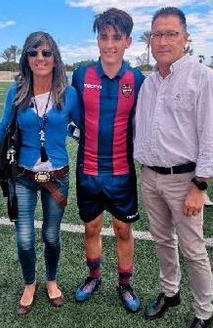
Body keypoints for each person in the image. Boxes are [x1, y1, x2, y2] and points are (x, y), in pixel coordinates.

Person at [133, 7, 213, 328]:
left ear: (186, 38)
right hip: (150, 176)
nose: (162, 41)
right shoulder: (148, 83)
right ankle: (170, 292)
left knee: (193, 249)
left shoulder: (202, 78)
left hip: (184, 180)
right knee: (161, 240)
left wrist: (200, 185)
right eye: (156, 34)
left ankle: (204, 314)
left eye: (170, 33)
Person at [0, 31, 79, 315]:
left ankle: (51, 281)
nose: (39, 58)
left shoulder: (69, 94)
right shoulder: (16, 91)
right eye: (33, 53)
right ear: (25, 58)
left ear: (55, 57)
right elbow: (4, 128)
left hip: (58, 176)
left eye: (45, 53)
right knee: (25, 238)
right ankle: (30, 283)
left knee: (52, 235)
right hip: (23, 176)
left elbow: (83, 128)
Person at [69, 8, 145, 312]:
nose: (109, 44)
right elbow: (71, 117)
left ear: (127, 41)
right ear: (97, 40)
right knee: (91, 229)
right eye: (104, 36)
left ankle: (125, 283)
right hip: (87, 170)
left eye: (116, 37)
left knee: (123, 230)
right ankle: (94, 276)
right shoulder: (81, 75)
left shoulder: (136, 79)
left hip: (122, 173)